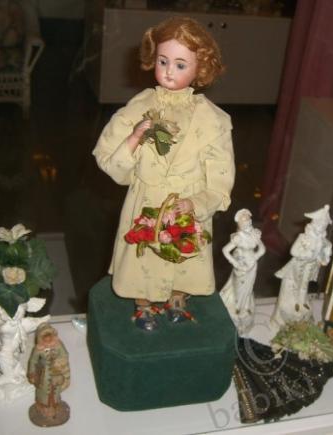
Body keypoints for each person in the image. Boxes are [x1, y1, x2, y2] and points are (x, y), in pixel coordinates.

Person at [93, 17, 235, 331]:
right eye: (163, 61)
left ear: (200, 68)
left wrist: (198, 203)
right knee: (142, 258)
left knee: (184, 256)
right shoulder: (138, 107)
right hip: (146, 198)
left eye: (181, 65)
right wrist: (134, 138)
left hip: (186, 203)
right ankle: (143, 304)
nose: (169, 71)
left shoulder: (213, 120)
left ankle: (177, 298)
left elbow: (221, 176)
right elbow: (107, 157)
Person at [271, 205, 332, 326]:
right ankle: (294, 302)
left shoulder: (324, 242)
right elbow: (293, 251)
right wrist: (304, 254)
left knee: (304, 284)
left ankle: (302, 301)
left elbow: (326, 255)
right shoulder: (303, 237)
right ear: (313, 224)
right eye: (319, 224)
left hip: (311, 266)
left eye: (323, 226)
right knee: (296, 283)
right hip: (298, 265)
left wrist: (324, 258)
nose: (320, 228)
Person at [220, 209, 266, 336]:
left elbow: (262, 249)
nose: (248, 221)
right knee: (239, 289)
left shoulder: (254, 234)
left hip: (252, 266)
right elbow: (225, 250)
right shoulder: (238, 237)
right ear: (239, 222)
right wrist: (236, 263)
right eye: (244, 219)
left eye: (248, 218)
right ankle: (238, 309)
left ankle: (244, 308)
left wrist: (253, 258)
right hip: (241, 268)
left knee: (248, 288)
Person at [27, 323, 71, 426]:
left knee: (55, 393)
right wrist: (32, 373)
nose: (48, 340)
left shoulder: (58, 345)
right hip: (43, 375)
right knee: (43, 393)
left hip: (56, 375)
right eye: (45, 338)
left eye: (50, 337)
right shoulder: (38, 349)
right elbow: (33, 361)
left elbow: (65, 355)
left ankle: (54, 408)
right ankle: (43, 410)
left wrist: (59, 363)